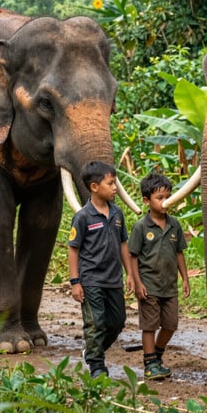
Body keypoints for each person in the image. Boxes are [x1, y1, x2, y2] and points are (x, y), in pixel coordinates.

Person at [67, 160, 133, 378]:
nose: (115, 187)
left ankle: (93, 352)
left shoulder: (117, 214)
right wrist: (75, 282)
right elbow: (73, 249)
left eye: (115, 183)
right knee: (95, 323)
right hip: (91, 279)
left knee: (116, 322)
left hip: (113, 278)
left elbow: (124, 244)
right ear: (94, 187)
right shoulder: (83, 217)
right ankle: (97, 366)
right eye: (110, 183)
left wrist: (130, 273)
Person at [128, 172, 190, 380]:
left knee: (171, 324)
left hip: (169, 285)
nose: (165, 202)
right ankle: (149, 363)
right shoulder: (141, 227)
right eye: (160, 198)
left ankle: (157, 353)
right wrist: (137, 282)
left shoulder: (174, 225)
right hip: (149, 285)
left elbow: (179, 253)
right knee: (149, 325)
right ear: (147, 200)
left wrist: (185, 279)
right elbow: (133, 257)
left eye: (168, 196)